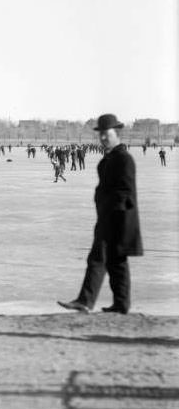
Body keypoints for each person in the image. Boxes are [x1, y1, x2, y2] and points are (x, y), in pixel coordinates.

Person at [59, 114, 143, 315]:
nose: (103, 137)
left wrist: (111, 211)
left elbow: (125, 191)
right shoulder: (109, 159)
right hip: (108, 217)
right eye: (101, 134)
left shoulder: (124, 159)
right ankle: (121, 304)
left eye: (107, 134)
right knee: (115, 262)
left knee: (99, 258)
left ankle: (85, 301)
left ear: (117, 133)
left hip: (117, 219)